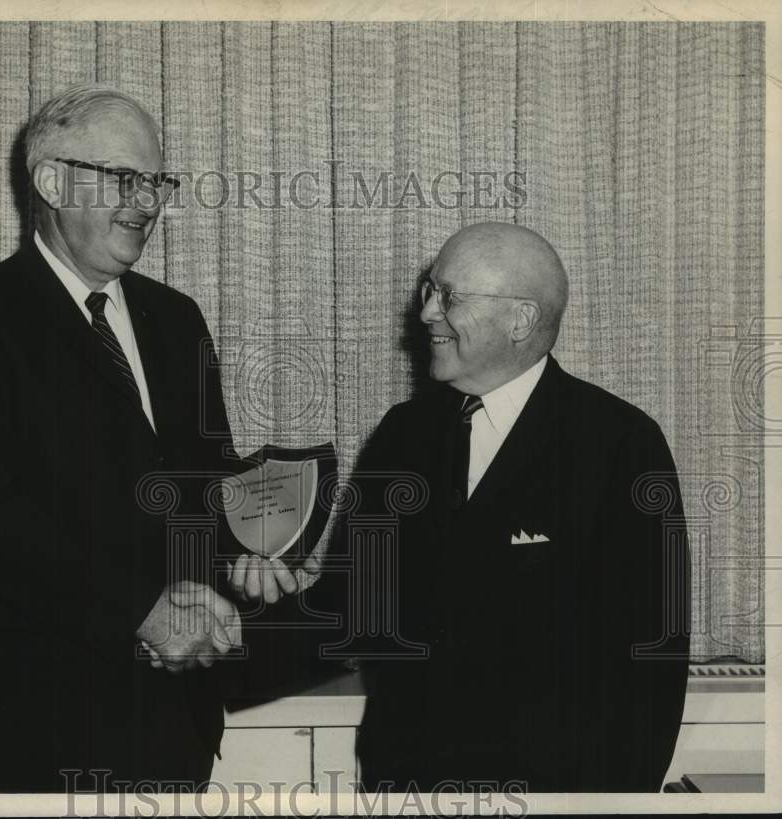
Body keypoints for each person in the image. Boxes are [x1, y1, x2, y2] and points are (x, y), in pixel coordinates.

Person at [230, 221, 691, 792]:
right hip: (405, 785)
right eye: (429, 290)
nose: (426, 312)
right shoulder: (405, 434)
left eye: (449, 296)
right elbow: (352, 612)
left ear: (520, 319)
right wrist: (224, 635)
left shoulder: (620, 444)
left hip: (548, 794)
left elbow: (652, 660)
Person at [0, 83, 242, 793]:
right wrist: (143, 612)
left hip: (169, 722)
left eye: (156, 181)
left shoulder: (177, 321)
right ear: (51, 181)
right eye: (125, 178)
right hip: (20, 729)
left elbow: (205, 485)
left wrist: (247, 564)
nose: (147, 202)